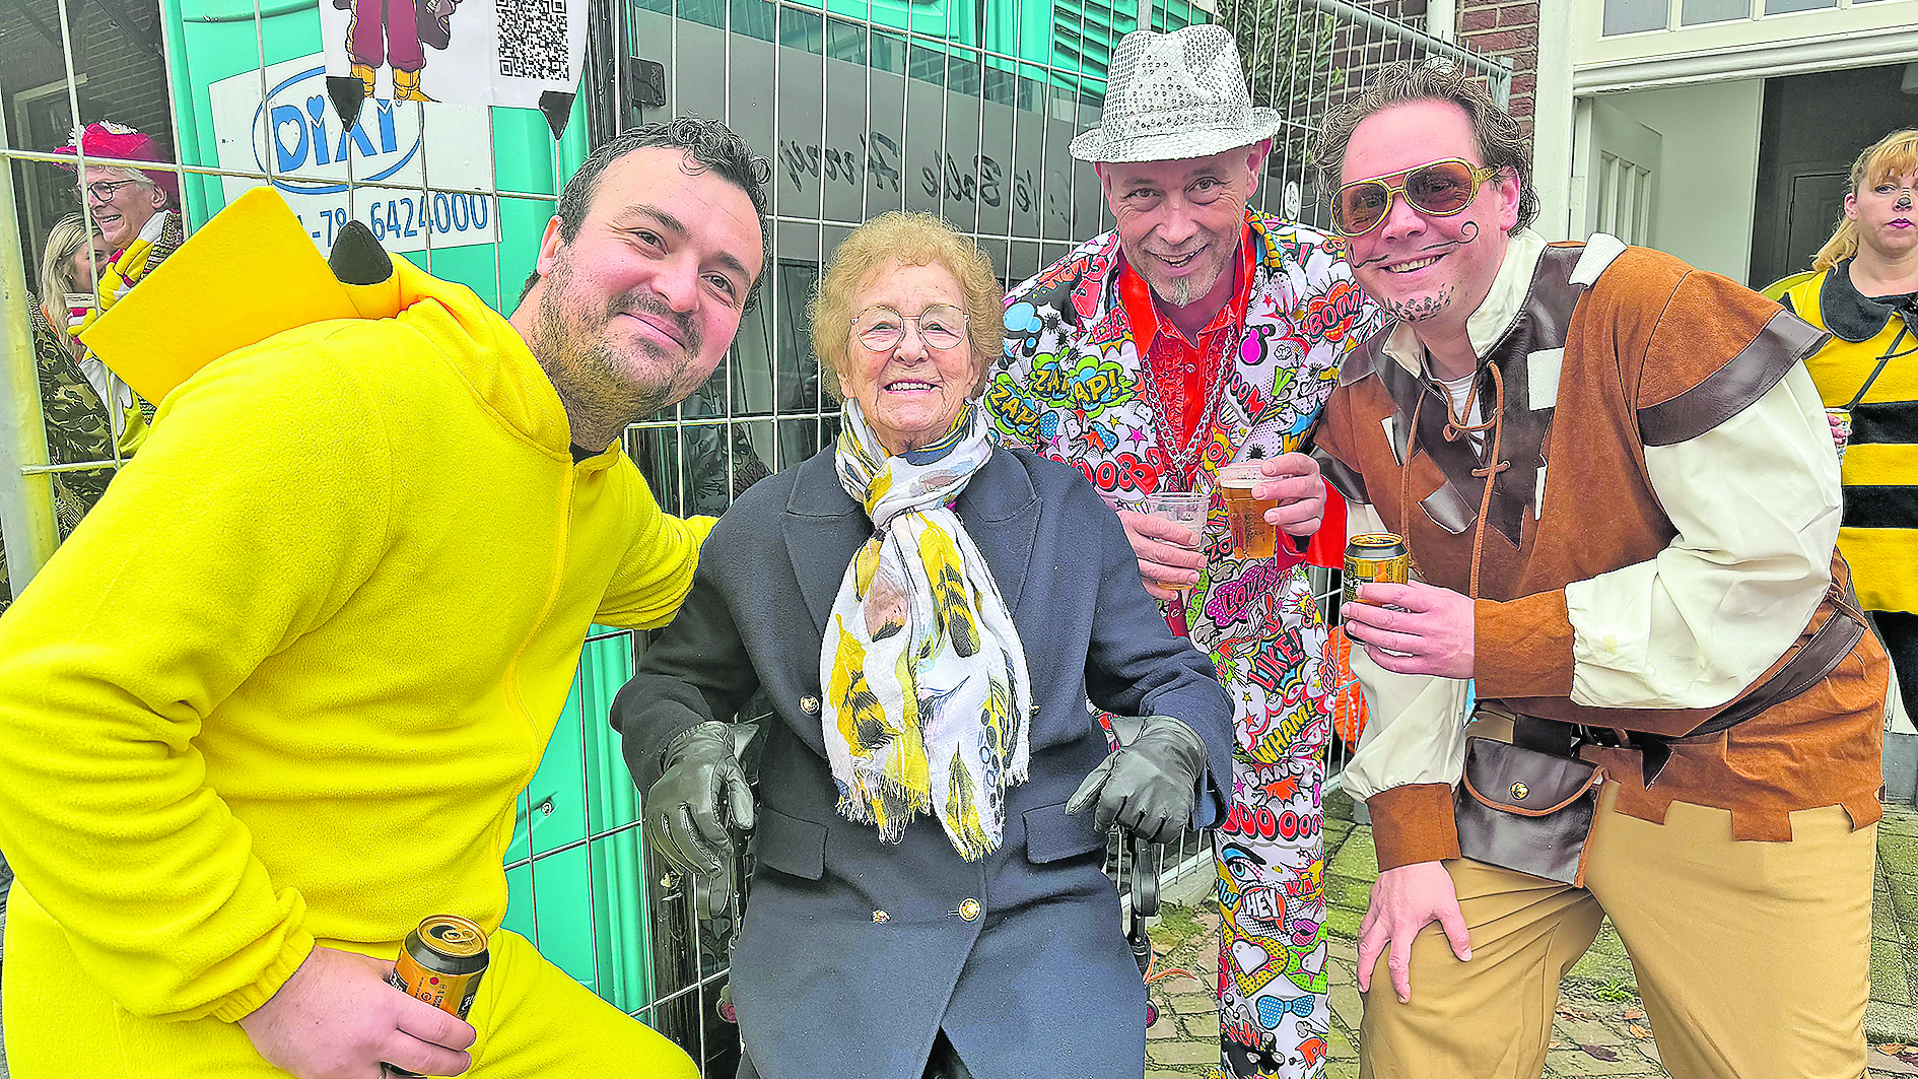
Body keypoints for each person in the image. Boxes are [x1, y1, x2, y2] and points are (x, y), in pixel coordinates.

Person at [0, 117, 771, 1079]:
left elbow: (711, 563)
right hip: (201, 1003)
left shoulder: (598, 495)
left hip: (428, 973)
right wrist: (270, 980)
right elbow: (42, 705)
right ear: (554, 243)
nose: (680, 289)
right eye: (649, 239)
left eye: (724, 279)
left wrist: (889, 504)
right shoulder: (339, 397)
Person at [1308, 61, 1888, 1079]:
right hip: (1530, 760)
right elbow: (1398, 629)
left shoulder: (1656, 313)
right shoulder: (1365, 392)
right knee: (1421, 1019)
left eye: (1434, 187)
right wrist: (1404, 836)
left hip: (1744, 757)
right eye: (1368, 202)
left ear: (1502, 192)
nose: (1399, 222)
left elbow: (1762, 573)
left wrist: (1497, 639)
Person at [612, 210, 1236, 1079]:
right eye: (880, 326)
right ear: (840, 358)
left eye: (940, 326)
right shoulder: (762, 528)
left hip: (1037, 916)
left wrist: (1176, 743)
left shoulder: (1062, 510)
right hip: (832, 920)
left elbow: (1172, 677)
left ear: (978, 362)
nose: (911, 348)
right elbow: (669, 684)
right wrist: (679, 747)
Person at [986, 25, 1382, 1077]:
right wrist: (1086, 537)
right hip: (1100, 697)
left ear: (1255, 165)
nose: (1173, 227)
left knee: (1279, 952)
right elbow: (979, 508)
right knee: (1084, 946)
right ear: (1105, 182)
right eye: (1141, 193)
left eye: (1205, 185)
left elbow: (1414, 482)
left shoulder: (1338, 299)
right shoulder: (1034, 327)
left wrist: (1329, 506)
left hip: (1274, 688)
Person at [1768, 128, 1917, 734]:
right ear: (1853, 205)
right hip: (1819, 560)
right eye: (1886, 188)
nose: (1903, 201)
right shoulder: (1788, 307)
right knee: (1811, 727)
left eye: (1916, 189)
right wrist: (1795, 427)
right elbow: (1729, 419)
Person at [1, 216, 119, 616]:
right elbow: (87, 429)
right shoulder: (29, 321)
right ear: (65, 264)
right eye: (96, 256)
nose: (107, 264)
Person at [54, 120, 177, 455]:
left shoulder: (171, 253)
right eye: (86, 191)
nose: (93, 202)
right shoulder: (126, 261)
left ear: (155, 193)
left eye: (105, 187)